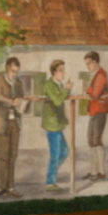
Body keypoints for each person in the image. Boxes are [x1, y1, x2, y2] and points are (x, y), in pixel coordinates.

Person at [0, 56, 29, 197]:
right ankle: (3, 187)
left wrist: (20, 101)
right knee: (3, 156)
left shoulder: (18, 83)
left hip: (15, 122)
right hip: (2, 122)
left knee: (13, 155)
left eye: (17, 72)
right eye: (13, 71)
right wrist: (12, 102)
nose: (15, 74)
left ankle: (11, 187)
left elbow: (21, 98)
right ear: (7, 68)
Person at [41, 59, 73, 192]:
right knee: (55, 155)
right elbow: (58, 100)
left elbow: (62, 100)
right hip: (52, 125)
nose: (63, 73)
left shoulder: (58, 84)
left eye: (63, 70)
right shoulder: (50, 85)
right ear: (54, 72)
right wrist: (66, 89)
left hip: (58, 124)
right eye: (60, 70)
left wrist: (64, 117)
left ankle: (51, 174)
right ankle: (50, 182)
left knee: (65, 151)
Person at [85, 51, 108, 180]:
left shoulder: (101, 75)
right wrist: (90, 90)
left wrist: (89, 90)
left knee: (96, 140)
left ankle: (101, 172)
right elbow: (92, 92)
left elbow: (94, 93)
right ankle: (93, 171)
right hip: (94, 110)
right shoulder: (95, 74)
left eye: (89, 63)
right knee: (91, 140)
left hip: (100, 110)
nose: (87, 66)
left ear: (95, 62)